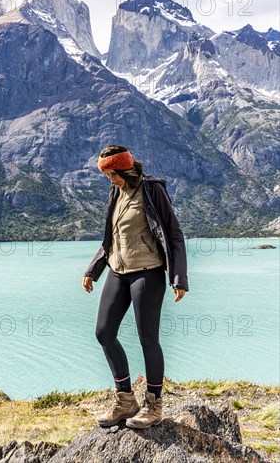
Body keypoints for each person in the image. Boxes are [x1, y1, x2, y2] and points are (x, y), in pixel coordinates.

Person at [82, 144, 189, 429]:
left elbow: (174, 235)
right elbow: (112, 237)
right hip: (118, 271)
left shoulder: (152, 190)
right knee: (104, 332)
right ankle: (126, 400)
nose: (109, 179)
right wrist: (94, 269)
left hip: (148, 273)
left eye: (112, 173)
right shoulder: (115, 193)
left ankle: (154, 405)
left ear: (124, 169)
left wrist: (178, 277)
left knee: (147, 338)